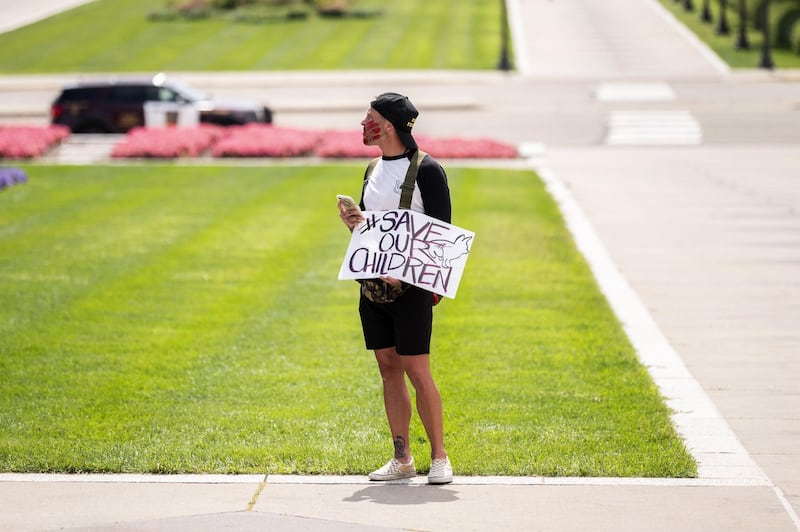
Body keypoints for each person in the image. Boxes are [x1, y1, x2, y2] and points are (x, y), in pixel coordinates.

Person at [338, 92, 453, 485]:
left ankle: (439, 457)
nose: (363, 124)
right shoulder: (372, 169)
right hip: (372, 288)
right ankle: (402, 457)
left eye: (368, 117)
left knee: (417, 371)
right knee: (388, 369)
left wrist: (404, 274)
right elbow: (375, 229)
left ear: (388, 125)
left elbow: (442, 238)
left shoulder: (428, 171)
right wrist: (355, 223)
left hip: (411, 291)